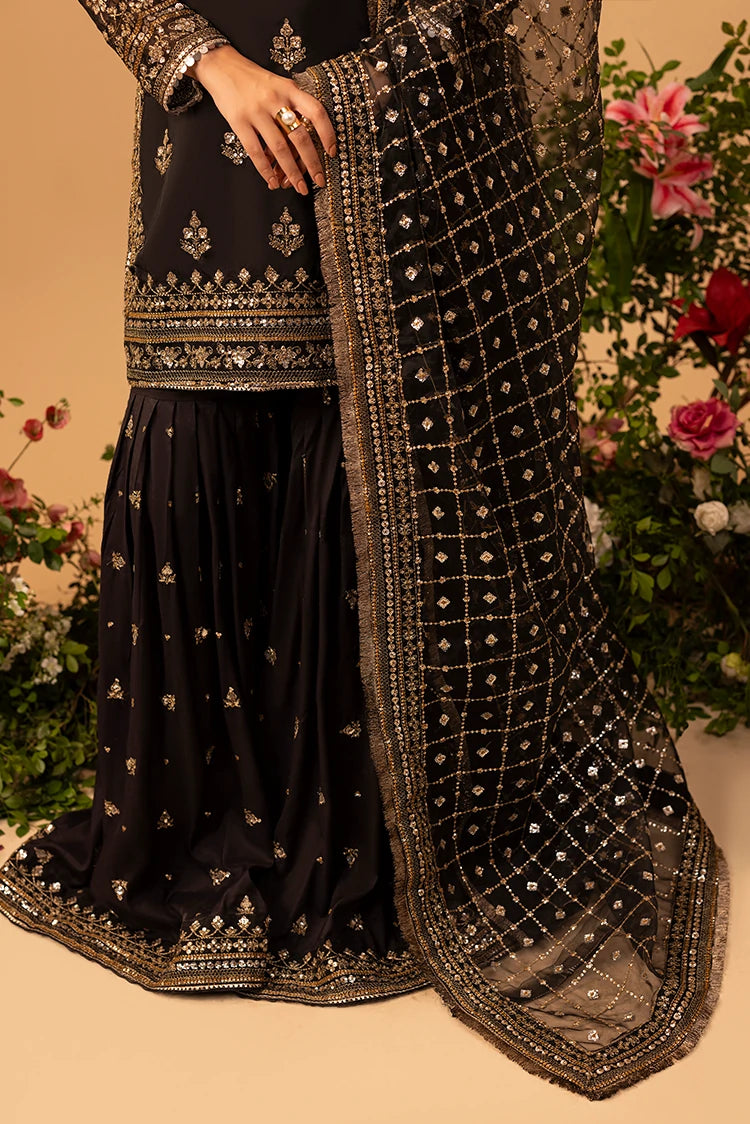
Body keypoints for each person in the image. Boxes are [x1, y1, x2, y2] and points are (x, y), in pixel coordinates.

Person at [0, 1, 729, 1099]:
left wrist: (390, 69)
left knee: (368, 450)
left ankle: (373, 838)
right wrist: (208, 61)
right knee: (204, 429)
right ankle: (197, 830)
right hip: (212, 119)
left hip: (400, 117)